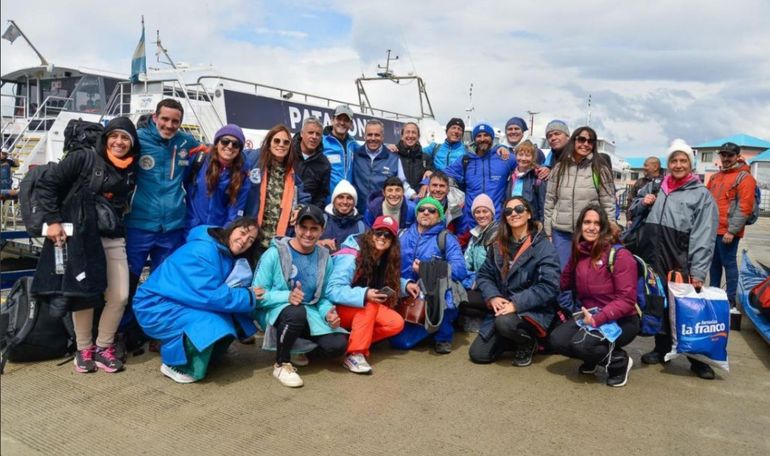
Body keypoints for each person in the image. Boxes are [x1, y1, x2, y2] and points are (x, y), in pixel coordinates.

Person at [31, 116, 140, 373]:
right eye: (114, 136)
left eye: (126, 137)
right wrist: (53, 221)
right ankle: (84, 349)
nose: (119, 142)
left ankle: (104, 346)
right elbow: (47, 185)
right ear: (106, 138)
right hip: (80, 237)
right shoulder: (84, 157)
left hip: (112, 235)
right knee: (85, 295)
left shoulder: (130, 167)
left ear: (132, 143)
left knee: (120, 295)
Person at [630, 139, 719, 379]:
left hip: (681, 260)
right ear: (668, 163)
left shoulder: (701, 195)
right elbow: (633, 207)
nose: (678, 165)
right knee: (659, 303)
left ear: (690, 164)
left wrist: (699, 272)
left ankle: (698, 359)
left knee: (687, 310)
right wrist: (642, 203)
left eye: (683, 161)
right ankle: (661, 348)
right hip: (654, 257)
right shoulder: (657, 187)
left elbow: (704, 237)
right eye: (674, 160)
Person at [133, 218, 260, 383]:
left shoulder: (222, 251)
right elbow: (210, 295)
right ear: (232, 229)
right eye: (242, 233)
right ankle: (179, 366)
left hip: (175, 302)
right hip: (153, 305)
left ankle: (200, 355)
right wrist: (249, 296)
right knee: (211, 323)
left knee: (230, 318)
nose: (244, 241)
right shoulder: (205, 250)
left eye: (250, 240)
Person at [252, 205, 348, 388]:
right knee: (295, 312)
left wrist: (328, 312)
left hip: (309, 313)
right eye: (303, 227)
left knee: (337, 345)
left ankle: (295, 346)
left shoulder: (324, 258)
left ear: (322, 230)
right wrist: (287, 296)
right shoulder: (274, 253)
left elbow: (323, 297)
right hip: (277, 312)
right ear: (295, 227)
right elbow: (256, 295)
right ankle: (281, 363)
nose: (308, 233)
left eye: (314, 228)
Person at [549, 204, 639, 387]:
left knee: (581, 344)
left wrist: (598, 319)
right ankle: (593, 358)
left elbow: (627, 300)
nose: (591, 227)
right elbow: (564, 284)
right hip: (590, 315)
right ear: (580, 226)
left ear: (604, 226)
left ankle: (618, 362)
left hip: (622, 319)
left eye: (596, 223)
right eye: (587, 222)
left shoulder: (620, 255)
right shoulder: (581, 252)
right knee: (556, 340)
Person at [469, 197, 560, 366]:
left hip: (532, 310)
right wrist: (493, 296)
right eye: (508, 211)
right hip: (504, 305)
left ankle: (528, 342)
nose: (514, 214)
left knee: (504, 322)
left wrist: (516, 304)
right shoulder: (498, 244)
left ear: (529, 214)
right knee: (479, 355)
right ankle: (514, 339)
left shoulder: (543, 246)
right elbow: (484, 275)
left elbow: (549, 286)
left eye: (519, 209)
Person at [126, 99, 202, 279]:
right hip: (140, 223)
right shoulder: (137, 140)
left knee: (162, 282)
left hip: (172, 227)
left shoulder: (186, 142)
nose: (169, 125)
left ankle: (153, 308)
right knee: (129, 279)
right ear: (155, 117)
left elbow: (214, 153)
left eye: (175, 121)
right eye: (165, 119)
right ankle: (129, 309)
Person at [327, 216, 405, 374]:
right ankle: (355, 353)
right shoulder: (351, 254)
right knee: (369, 305)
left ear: (393, 241)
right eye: (379, 233)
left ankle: (351, 342)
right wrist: (364, 294)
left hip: (359, 305)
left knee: (395, 323)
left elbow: (387, 280)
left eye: (387, 235)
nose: (382, 237)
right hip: (333, 307)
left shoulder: (385, 256)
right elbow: (332, 290)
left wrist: (406, 284)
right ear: (370, 233)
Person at [390, 197, 467, 353]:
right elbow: (388, 268)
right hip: (405, 293)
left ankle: (442, 336)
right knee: (400, 342)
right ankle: (427, 328)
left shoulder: (446, 238)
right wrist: (405, 284)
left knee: (448, 291)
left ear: (439, 216)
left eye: (432, 210)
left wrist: (426, 270)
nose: (426, 212)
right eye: (422, 209)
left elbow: (460, 270)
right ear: (416, 213)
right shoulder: (402, 235)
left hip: (434, 294)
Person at [543, 126, 617, 273]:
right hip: (561, 232)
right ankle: (565, 297)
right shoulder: (560, 167)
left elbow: (608, 202)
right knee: (563, 274)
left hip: (588, 232)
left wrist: (610, 227)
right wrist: (548, 231)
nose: (586, 144)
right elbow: (550, 200)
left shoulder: (600, 168)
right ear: (573, 141)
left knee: (586, 274)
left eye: (590, 141)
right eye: (582, 139)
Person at [244, 124, 310, 258]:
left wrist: (299, 208)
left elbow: (303, 197)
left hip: (277, 243)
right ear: (269, 143)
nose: (281, 145)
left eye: (286, 142)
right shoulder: (255, 160)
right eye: (277, 140)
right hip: (252, 237)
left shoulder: (291, 174)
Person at [707, 142, 758, 309]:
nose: (726, 158)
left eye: (730, 155)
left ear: (737, 156)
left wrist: (732, 231)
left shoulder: (745, 178)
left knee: (729, 265)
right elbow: (706, 200)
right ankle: (714, 295)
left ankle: (730, 301)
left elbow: (745, 207)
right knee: (714, 265)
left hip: (728, 232)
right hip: (712, 229)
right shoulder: (715, 177)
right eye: (724, 155)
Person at [445, 122, 517, 237]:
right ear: (474, 139)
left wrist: (545, 169)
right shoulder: (466, 160)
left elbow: (527, 165)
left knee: (496, 254)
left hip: (497, 221)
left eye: (486, 135)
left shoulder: (505, 158)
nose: (482, 139)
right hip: (470, 221)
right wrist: (426, 181)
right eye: (479, 136)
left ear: (492, 138)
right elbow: (443, 175)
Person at [185, 124, 250, 232]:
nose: (230, 146)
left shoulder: (242, 175)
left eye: (236, 144)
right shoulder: (198, 161)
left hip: (216, 233)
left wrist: (223, 234)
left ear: (240, 149)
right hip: (189, 229)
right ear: (217, 143)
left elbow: (235, 211)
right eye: (225, 141)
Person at [351, 119, 415, 213]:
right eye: (369, 134)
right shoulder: (355, 155)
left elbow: (402, 184)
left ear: (382, 137)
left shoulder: (393, 158)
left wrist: (415, 196)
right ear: (364, 136)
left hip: (382, 214)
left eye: (377, 135)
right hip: (358, 213)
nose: (373, 138)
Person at [460, 194, 499, 329]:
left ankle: (494, 316)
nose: (481, 215)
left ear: (492, 213)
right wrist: (467, 281)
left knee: (460, 301)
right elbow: (466, 263)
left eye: (485, 211)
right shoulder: (474, 235)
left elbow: (494, 269)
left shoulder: (498, 235)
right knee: (458, 299)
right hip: (476, 284)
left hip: (493, 287)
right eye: (477, 211)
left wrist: (475, 282)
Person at [318, 179, 366, 252]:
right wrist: (318, 243)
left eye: (349, 198)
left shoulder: (361, 227)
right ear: (333, 201)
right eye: (340, 197)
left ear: (354, 202)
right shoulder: (321, 220)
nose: (345, 202)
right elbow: (300, 241)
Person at [294, 116, 331, 209]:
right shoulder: (288, 153)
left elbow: (322, 195)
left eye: (318, 134)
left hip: (306, 215)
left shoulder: (324, 164)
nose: (314, 137)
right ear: (302, 133)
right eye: (310, 133)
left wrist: (310, 214)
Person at [505, 140, 546, 221]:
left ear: (533, 158)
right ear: (515, 155)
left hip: (531, 222)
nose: (523, 158)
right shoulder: (511, 175)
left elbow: (542, 204)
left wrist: (541, 223)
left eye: (527, 155)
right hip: (513, 219)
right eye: (520, 155)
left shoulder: (537, 176)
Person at [322, 105, 358, 197]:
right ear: (332, 120)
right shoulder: (321, 142)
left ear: (351, 124)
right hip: (327, 200)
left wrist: (390, 147)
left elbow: (371, 149)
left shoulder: (354, 145)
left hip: (347, 201)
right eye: (339, 119)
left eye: (346, 120)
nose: (342, 123)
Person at [394, 121, 433, 191]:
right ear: (402, 136)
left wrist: (426, 182)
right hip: (397, 198)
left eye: (413, 132)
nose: (410, 135)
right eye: (407, 132)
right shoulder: (393, 155)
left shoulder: (425, 158)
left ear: (418, 137)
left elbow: (431, 174)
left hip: (419, 199)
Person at [626, 156, 663, 220]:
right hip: (638, 223)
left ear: (655, 167)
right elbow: (630, 200)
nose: (643, 168)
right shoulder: (640, 182)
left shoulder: (664, 183)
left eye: (646, 165)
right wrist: (629, 219)